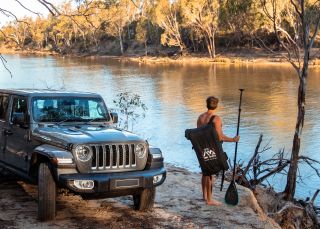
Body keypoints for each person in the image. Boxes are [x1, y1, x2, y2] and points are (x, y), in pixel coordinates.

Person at [197, 96, 240, 206]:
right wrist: (233, 139)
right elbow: (220, 137)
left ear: (206, 104)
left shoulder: (200, 118)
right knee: (211, 174)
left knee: (205, 172)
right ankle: (209, 200)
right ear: (216, 105)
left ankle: (204, 196)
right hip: (212, 149)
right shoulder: (216, 119)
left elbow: (198, 134)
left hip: (201, 148)